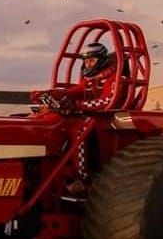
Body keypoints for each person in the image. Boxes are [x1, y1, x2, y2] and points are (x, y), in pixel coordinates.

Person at [31, 41, 122, 195]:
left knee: (80, 128)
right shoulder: (90, 79)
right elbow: (76, 91)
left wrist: (77, 105)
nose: (88, 64)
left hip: (103, 117)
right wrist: (52, 94)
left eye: (91, 61)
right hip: (88, 114)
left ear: (102, 61)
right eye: (86, 61)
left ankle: (83, 176)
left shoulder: (112, 78)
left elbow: (107, 101)